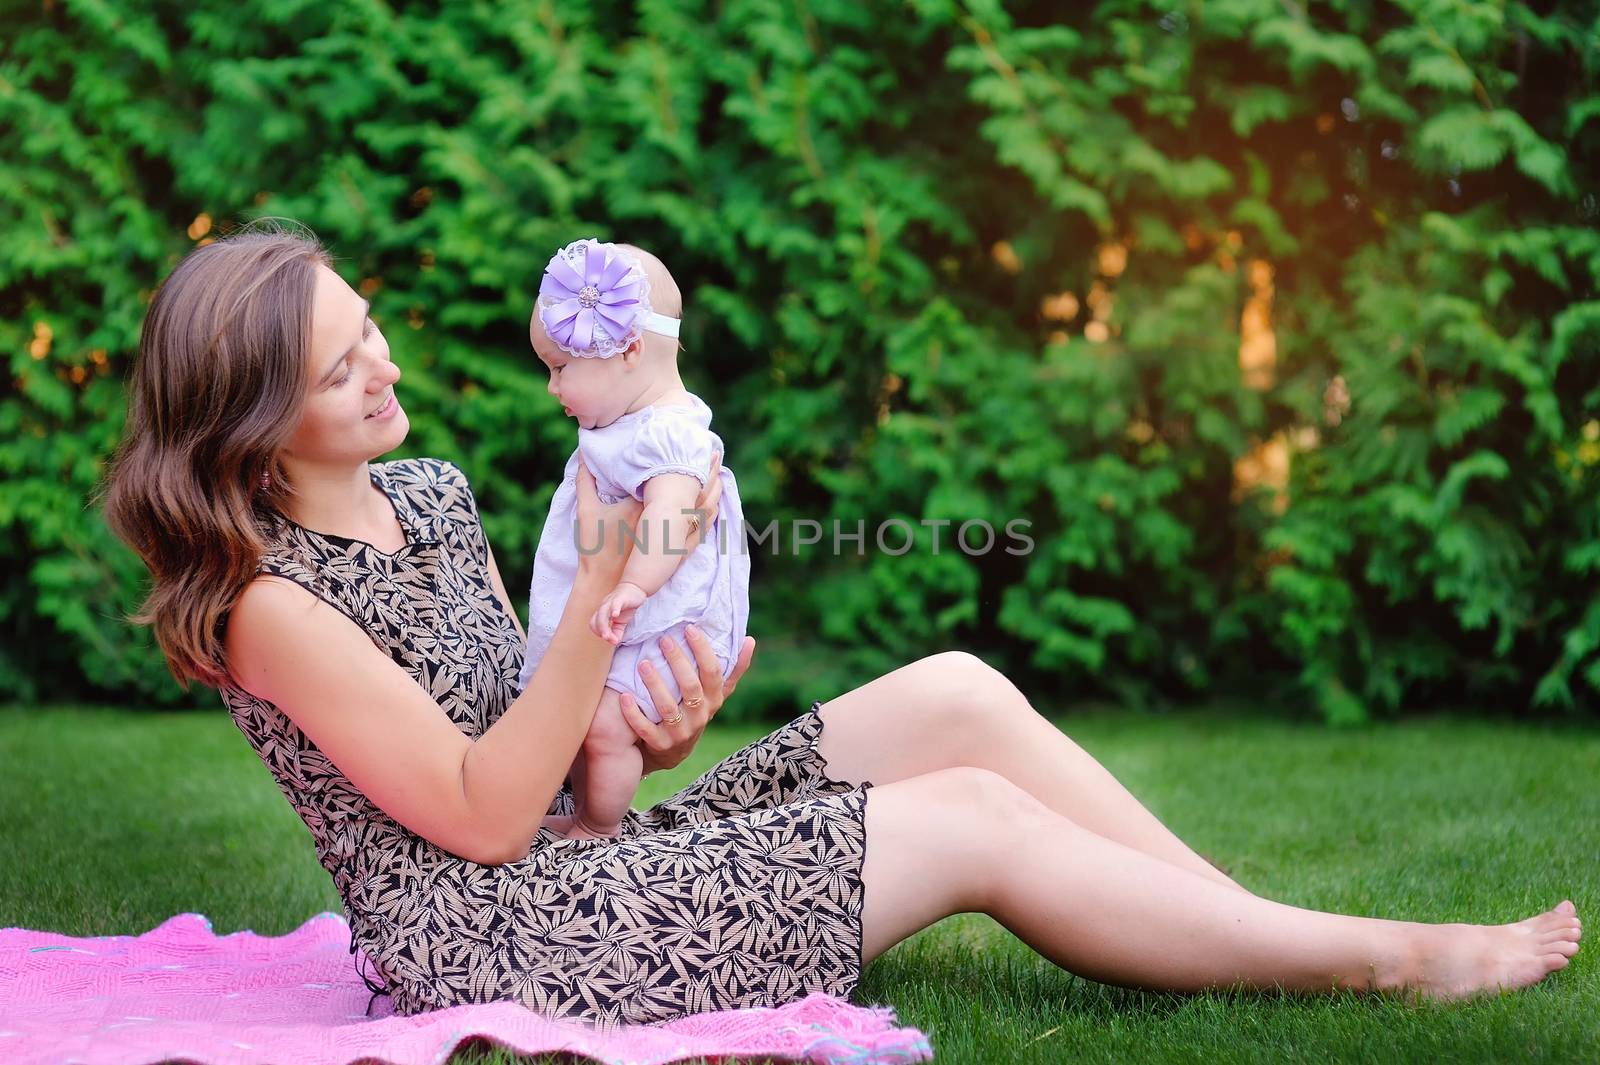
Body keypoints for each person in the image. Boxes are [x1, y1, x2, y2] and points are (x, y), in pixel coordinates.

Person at [99, 226, 1581, 1030]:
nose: (385, 365)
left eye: (371, 332)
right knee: (974, 819)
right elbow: (484, 824)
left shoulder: (427, 489)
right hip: (498, 940)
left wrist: (633, 737)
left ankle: (1265, 936)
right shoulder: (266, 606)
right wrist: (606, 628)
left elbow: (549, 772)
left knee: (954, 692)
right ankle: (1382, 960)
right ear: (249, 419)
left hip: (584, 859)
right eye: (339, 367)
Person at [518, 237, 750, 842]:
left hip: (663, 619)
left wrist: (629, 586)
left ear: (628, 348)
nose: (552, 389)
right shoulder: (628, 428)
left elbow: (675, 519)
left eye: (560, 368)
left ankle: (598, 826)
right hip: (628, 612)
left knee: (604, 726)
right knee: (574, 721)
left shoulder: (669, 433)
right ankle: (558, 805)